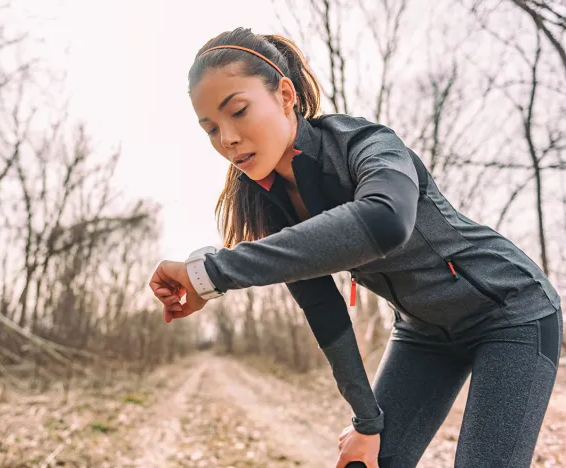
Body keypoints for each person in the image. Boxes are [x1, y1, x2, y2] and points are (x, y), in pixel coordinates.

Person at [149, 27, 563, 468]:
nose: (226, 139)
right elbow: (323, 310)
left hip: (510, 312)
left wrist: (211, 273)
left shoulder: (364, 144)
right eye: (210, 128)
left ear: (285, 95)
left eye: (239, 111)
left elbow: (385, 222)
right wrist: (367, 422)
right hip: (423, 333)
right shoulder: (272, 201)